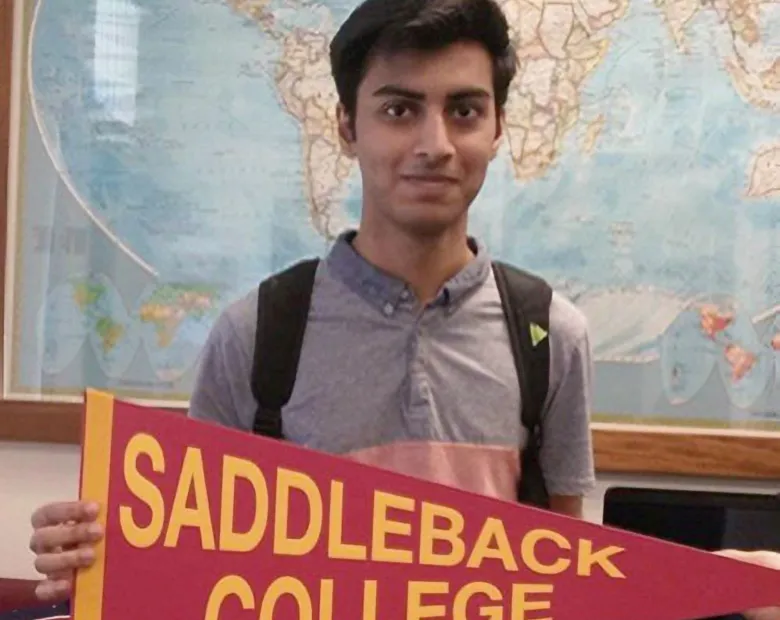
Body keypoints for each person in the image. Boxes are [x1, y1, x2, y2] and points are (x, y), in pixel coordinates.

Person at [22, 0, 779, 615]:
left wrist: (717, 586)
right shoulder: (256, 333)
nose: (434, 143)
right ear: (348, 127)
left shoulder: (552, 337)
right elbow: (194, 562)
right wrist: (97, 554)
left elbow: (564, 575)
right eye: (398, 109)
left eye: (464, 110)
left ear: (499, 127)